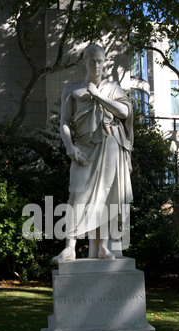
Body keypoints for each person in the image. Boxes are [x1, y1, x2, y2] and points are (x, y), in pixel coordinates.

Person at [52, 44, 133, 262]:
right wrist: (69, 146)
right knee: (76, 194)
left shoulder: (113, 88)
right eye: (91, 61)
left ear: (104, 60)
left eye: (99, 60)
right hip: (83, 147)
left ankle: (103, 248)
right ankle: (70, 246)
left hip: (109, 145)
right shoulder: (72, 88)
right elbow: (64, 122)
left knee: (105, 197)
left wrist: (98, 96)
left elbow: (124, 112)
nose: (96, 65)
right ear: (84, 61)